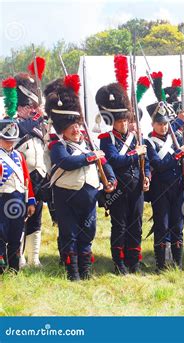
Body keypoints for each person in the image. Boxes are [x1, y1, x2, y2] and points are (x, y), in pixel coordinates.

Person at [45, 76, 116, 281]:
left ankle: (85, 271)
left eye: (77, 125)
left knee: (88, 233)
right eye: (71, 127)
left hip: (90, 194)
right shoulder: (58, 146)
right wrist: (91, 157)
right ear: (62, 130)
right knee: (69, 234)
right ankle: (72, 273)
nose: (76, 130)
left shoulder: (88, 143)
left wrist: (111, 178)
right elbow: (67, 163)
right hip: (66, 195)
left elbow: (105, 163)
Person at [96, 82, 150, 274]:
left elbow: (147, 162)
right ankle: (119, 263)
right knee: (119, 226)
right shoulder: (106, 138)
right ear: (113, 122)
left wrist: (147, 177)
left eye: (126, 121)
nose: (124, 124)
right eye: (120, 121)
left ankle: (133, 261)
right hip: (118, 190)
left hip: (136, 188)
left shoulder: (136, 138)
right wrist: (135, 153)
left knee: (136, 225)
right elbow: (115, 160)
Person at [145, 101, 184, 272]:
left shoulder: (177, 139)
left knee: (178, 226)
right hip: (160, 190)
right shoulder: (149, 142)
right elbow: (158, 165)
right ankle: (160, 265)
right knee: (162, 226)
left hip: (179, 188)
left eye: (166, 123)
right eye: (160, 123)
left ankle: (177, 264)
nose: (163, 127)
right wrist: (178, 153)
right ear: (153, 124)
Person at [0, 89, 36, 273]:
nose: (10, 143)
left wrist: (30, 200)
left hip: (17, 199)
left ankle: (14, 268)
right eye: (6, 140)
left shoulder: (19, 156)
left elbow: (26, 179)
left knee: (16, 235)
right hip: (1, 199)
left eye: (12, 140)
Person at [14, 72, 47, 268]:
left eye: (32, 106)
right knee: (19, 217)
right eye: (27, 107)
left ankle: (34, 257)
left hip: (39, 176)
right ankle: (19, 257)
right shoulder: (11, 123)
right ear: (19, 108)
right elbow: (23, 129)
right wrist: (38, 116)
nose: (30, 109)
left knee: (36, 218)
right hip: (20, 177)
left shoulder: (38, 124)